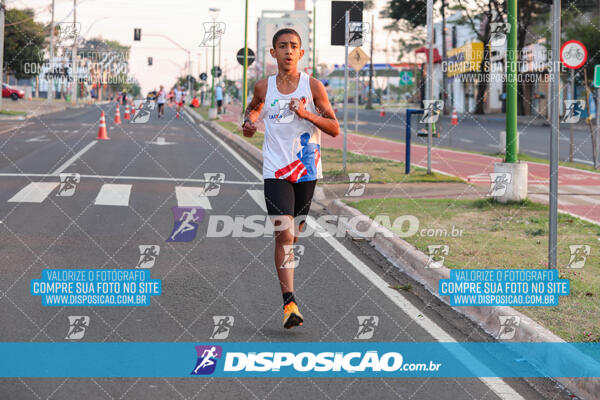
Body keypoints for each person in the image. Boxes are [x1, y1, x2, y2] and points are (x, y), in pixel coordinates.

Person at [241, 28, 340, 329]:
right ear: (273, 53)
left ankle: (289, 294)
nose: (287, 51)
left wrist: (307, 115)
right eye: (282, 46)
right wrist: (248, 123)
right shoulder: (263, 87)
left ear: (301, 53)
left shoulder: (313, 86)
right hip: (276, 170)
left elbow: (334, 128)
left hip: (306, 170)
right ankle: (289, 303)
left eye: (293, 46)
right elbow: (252, 111)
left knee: (294, 235)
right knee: (284, 234)